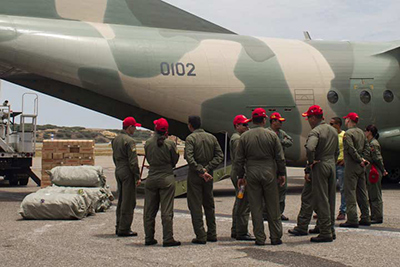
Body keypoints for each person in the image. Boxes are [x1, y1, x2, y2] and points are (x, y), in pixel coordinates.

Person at [235, 108, 286, 246]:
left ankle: (260, 237)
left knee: (255, 206)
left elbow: (239, 159)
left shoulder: (245, 137)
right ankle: (275, 237)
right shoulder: (272, 135)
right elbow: (280, 157)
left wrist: (240, 176)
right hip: (269, 171)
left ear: (252, 121)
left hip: (252, 172)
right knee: (273, 205)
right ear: (264, 120)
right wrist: (281, 174)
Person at [289, 105, 339, 241]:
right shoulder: (333, 130)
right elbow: (337, 151)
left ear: (313, 118)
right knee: (330, 199)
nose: (308, 121)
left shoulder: (315, 132)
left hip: (320, 165)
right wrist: (332, 161)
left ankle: (325, 233)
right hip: (331, 165)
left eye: (308, 118)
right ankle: (330, 229)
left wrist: (311, 162)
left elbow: (310, 148)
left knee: (321, 199)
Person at [185, 115, 224, 244]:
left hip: (195, 175)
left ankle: (201, 235)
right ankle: (212, 233)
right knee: (209, 204)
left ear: (190, 125)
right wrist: (208, 169)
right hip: (209, 175)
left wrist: (201, 170)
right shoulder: (211, 137)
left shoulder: (190, 138)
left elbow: (189, 158)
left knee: (195, 205)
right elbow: (220, 156)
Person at [143, 118, 181, 247]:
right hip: (166, 177)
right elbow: (174, 161)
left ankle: (149, 237)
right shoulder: (170, 144)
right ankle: (167, 238)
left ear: (155, 129)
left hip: (152, 177)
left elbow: (148, 158)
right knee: (167, 210)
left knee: (149, 210)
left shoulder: (148, 143)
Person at [339, 112, 371, 228]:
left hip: (352, 166)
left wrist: (359, 159)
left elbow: (351, 149)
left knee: (350, 192)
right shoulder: (362, 133)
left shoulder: (348, 134)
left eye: (346, 119)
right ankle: (365, 216)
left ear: (349, 120)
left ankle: (352, 218)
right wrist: (364, 160)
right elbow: (367, 147)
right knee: (362, 192)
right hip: (361, 167)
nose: (345, 121)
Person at [112, 117, 141, 237]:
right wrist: (137, 176)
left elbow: (114, 156)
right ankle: (124, 228)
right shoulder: (129, 141)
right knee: (128, 201)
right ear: (129, 127)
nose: (135, 129)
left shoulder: (115, 139)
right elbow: (133, 162)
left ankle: (119, 225)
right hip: (127, 171)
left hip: (118, 169)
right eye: (134, 127)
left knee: (121, 199)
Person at [230, 115, 255, 241]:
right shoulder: (238, 140)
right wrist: (243, 176)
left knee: (239, 201)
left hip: (238, 172)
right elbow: (240, 159)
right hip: (241, 174)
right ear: (237, 126)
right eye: (244, 125)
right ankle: (241, 231)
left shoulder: (239, 138)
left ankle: (236, 229)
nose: (247, 127)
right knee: (243, 203)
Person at [268, 112, 293, 221]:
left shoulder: (281, 133)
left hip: (280, 164)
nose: (281, 123)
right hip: (270, 164)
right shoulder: (267, 133)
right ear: (273, 121)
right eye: (279, 121)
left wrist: (280, 141)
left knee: (282, 188)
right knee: (269, 189)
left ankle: (279, 212)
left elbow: (290, 141)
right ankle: (268, 212)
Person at [364, 125, 387, 224]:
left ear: (369, 132)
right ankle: (374, 214)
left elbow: (377, 158)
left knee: (375, 195)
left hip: (374, 171)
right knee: (371, 193)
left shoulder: (373, 144)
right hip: (371, 170)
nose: (365, 133)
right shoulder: (370, 143)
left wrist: (382, 169)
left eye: (366, 131)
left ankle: (377, 216)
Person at [330, 117, 346, 221]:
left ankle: (342, 211)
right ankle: (326, 210)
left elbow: (349, 148)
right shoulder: (330, 135)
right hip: (332, 163)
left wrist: (345, 159)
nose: (331, 126)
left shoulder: (344, 135)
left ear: (338, 125)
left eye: (333, 124)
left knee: (343, 188)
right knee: (328, 188)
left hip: (341, 165)